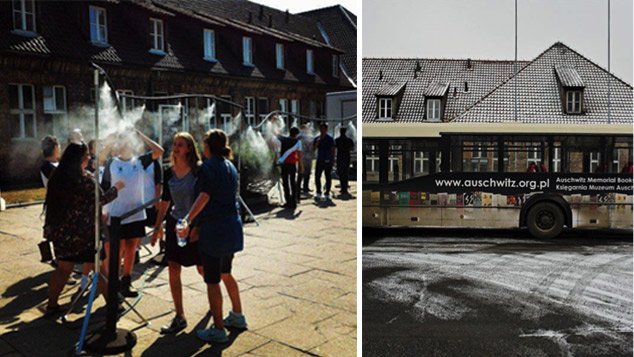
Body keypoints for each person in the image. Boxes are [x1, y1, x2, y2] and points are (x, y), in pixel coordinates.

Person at [43, 142, 124, 314]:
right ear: (79, 158)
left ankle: (51, 305)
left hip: (62, 234)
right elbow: (101, 199)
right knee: (100, 269)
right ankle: (113, 305)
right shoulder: (86, 179)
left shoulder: (57, 177)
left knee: (63, 269)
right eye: (86, 155)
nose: (89, 157)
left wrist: (48, 228)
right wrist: (116, 188)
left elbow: (50, 205)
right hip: (85, 236)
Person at [182, 129, 246, 343]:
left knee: (212, 281)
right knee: (226, 273)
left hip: (215, 231)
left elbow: (205, 195)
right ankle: (237, 316)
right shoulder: (230, 166)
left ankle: (218, 329)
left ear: (207, 147)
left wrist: (188, 220)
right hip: (232, 227)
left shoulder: (207, 167)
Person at [101, 128, 164, 298]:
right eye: (123, 143)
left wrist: (140, 133)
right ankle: (111, 282)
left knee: (131, 248)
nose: (125, 145)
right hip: (117, 214)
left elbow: (159, 151)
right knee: (118, 249)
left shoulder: (140, 161)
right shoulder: (111, 163)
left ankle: (126, 281)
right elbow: (104, 187)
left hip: (136, 213)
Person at [151, 132, 204, 334]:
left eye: (180, 144)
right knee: (173, 267)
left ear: (189, 148)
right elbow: (165, 201)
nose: (175, 148)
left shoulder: (198, 171)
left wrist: (197, 226)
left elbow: (204, 198)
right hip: (175, 224)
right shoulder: (169, 172)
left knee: (202, 269)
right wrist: (157, 228)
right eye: (174, 144)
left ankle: (214, 306)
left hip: (194, 224)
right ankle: (179, 315)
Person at [278, 127, 304, 209]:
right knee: (293, 183)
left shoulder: (284, 139)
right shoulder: (298, 142)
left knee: (285, 183)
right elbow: (299, 155)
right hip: (292, 164)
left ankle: (288, 202)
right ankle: (293, 202)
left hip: (284, 164)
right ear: (296, 134)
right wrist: (301, 166)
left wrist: (273, 121)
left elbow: (275, 134)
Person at [313, 123, 336, 201]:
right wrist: (317, 143)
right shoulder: (317, 138)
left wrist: (333, 160)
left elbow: (333, 150)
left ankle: (327, 192)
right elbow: (314, 149)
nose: (322, 131)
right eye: (321, 129)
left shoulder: (330, 139)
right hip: (320, 159)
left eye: (323, 129)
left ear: (326, 130)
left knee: (328, 176)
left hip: (327, 159)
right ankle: (318, 191)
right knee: (317, 176)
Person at [335, 127, 354, 196]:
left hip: (340, 158)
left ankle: (342, 187)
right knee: (346, 173)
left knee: (340, 173)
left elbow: (334, 148)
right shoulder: (349, 140)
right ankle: (345, 188)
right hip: (346, 157)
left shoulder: (337, 140)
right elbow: (352, 148)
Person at [298, 124, 314, 194]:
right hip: (304, 157)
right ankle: (302, 187)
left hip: (305, 157)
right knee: (303, 173)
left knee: (305, 173)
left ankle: (304, 187)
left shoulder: (307, 137)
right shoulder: (300, 137)